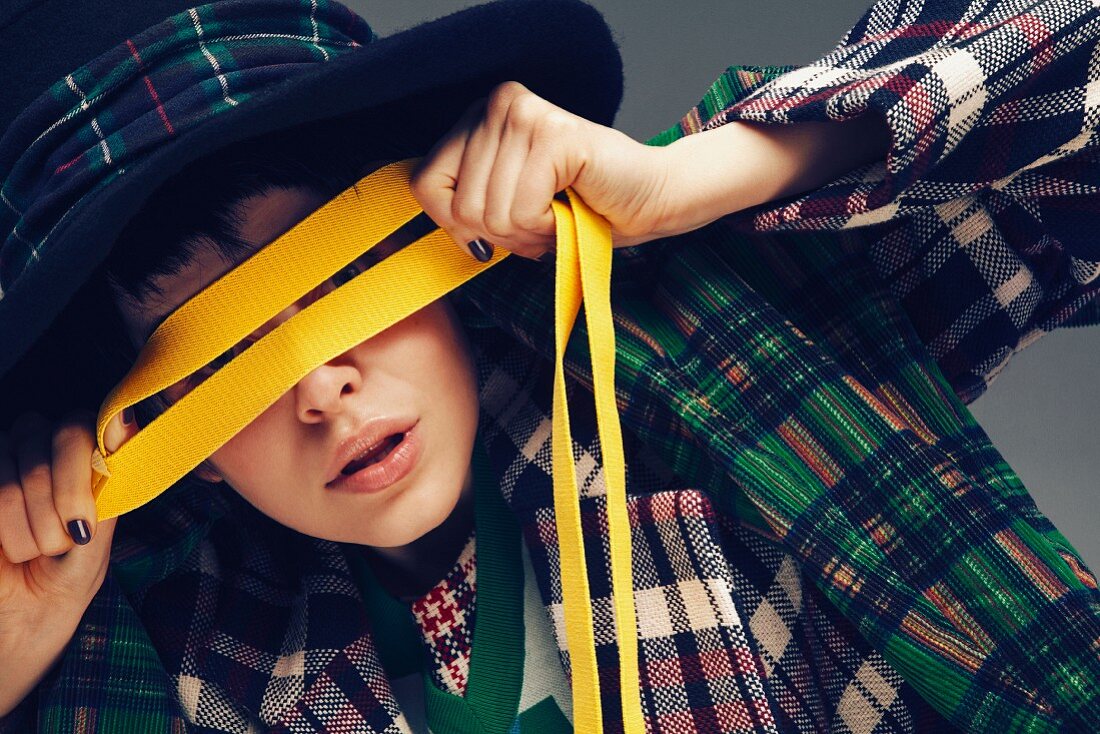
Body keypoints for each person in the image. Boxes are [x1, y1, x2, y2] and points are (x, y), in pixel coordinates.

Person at [1, 0, 1097, 732]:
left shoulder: (711, 322)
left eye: (342, 280)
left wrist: (722, 172)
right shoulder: (169, 647)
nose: (319, 382)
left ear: (442, 244)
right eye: (214, 360)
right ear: (154, 445)